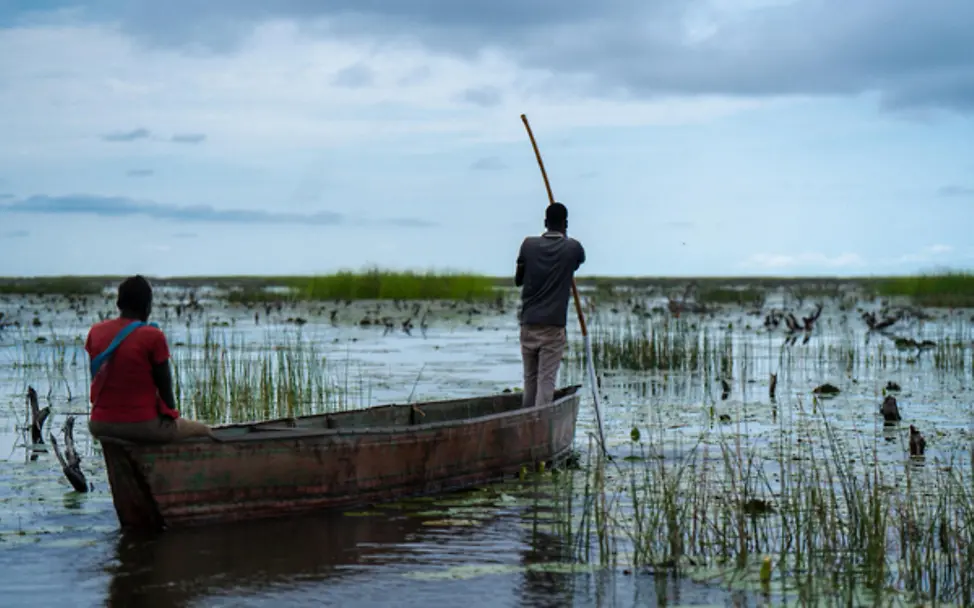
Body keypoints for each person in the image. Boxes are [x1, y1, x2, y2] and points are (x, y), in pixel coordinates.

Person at [86, 275, 216, 443]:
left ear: (119, 304)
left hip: (99, 424)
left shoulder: (96, 332)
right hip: (142, 425)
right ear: (148, 307)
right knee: (204, 431)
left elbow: (96, 379)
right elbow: (165, 390)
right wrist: (171, 416)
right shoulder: (153, 336)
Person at [515, 202, 586, 408]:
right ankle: (538, 425)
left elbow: (518, 279)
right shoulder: (572, 247)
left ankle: (526, 420)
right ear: (565, 223)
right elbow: (577, 262)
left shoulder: (528, 245)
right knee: (546, 382)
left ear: (545, 223)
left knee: (530, 379)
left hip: (528, 323)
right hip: (553, 326)